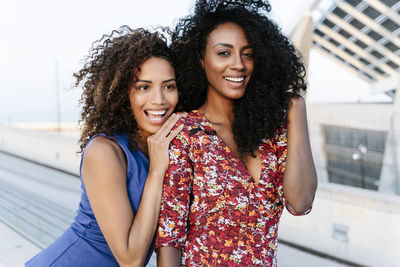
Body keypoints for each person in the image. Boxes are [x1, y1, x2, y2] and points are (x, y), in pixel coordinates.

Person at [155, 0, 318, 266]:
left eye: (248, 54)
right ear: (201, 59)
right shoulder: (185, 134)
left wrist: (296, 108)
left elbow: (300, 203)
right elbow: (169, 240)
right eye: (224, 53)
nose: (238, 65)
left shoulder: (273, 133)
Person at [26, 26, 184, 266]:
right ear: (122, 92)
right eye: (144, 87)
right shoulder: (104, 151)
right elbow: (131, 259)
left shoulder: (164, 146)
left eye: (169, 86)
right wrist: (156, 171)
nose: (159, 99)